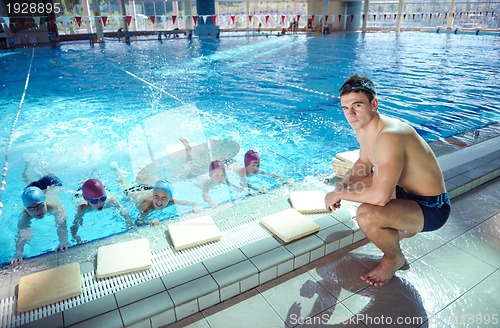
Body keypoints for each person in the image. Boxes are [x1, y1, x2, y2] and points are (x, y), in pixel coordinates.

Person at [324, 74, 451, 286]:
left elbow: (381, 197)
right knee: (362, 183)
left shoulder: (390, 134)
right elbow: (363, 164)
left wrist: (339, 194)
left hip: (432, 207)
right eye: (345, 108)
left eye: (357, 105)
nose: (351, 114)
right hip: (405, 193)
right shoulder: (364, 129)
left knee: (366, 214)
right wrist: (342, 187)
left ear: (374, 104)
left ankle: (394, 258)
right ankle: (402, 228)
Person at [112, 164, 202, 225]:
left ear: (169, 198)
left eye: (164, 198)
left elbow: (190, 203)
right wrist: (149, 222)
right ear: (153, 195)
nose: (159, 200)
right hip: (132, 193)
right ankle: (115, 170)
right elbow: (137, 223)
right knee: (123, 183)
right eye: (156, 196)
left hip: (147, 190)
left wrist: (196, 205)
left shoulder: (171, 200)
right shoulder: (146, 207)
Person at [11, 175, 69, 266]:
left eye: (40, 205)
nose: (37, 211)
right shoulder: (25, 214)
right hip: (33, 191)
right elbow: (22, 233)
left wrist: (63, 241)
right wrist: (19, 253)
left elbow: (61, 224)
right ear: (26, 208)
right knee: (29, 182)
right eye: (31, 208)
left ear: (45, 202)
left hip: (51, 182)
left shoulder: (54, 205)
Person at [71, 178, 132, 243]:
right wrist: (78, 239)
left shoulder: (110, 200)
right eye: (95, 201)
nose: (100, 203)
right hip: (80, 192)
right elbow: (74, 227)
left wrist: (129, 224)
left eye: (103, 198)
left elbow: (123, 210)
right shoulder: (83, 207)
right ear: (87, 199)